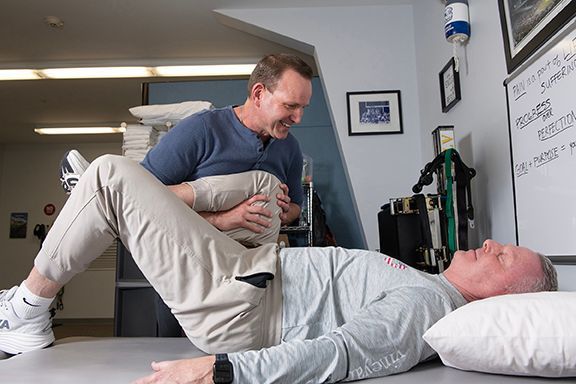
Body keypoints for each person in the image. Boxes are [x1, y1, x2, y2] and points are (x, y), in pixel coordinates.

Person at [0, 155, 557, 383]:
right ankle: (122, 205)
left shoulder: (430, 308)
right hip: (255, 269)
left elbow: (339, 356)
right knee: (268, 186)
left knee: (108, 173)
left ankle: (28, 307)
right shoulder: (431, 285)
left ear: (503, 301)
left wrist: (220, 369)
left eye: (503, 256)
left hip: (240, 302)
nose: (488, 243)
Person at [58, 53, 314, 335]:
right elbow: (145, 200)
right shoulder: (202, 129)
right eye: (291, 106)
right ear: (258, 94)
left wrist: (281, 207)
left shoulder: (289, 147)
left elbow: (295, 210)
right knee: (179, 354)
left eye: (303, 107)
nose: (298, 117)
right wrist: (223, 219)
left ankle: (98, 191)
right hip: (189, 268)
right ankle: (101, 192)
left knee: (238, 357)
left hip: (248, 273)